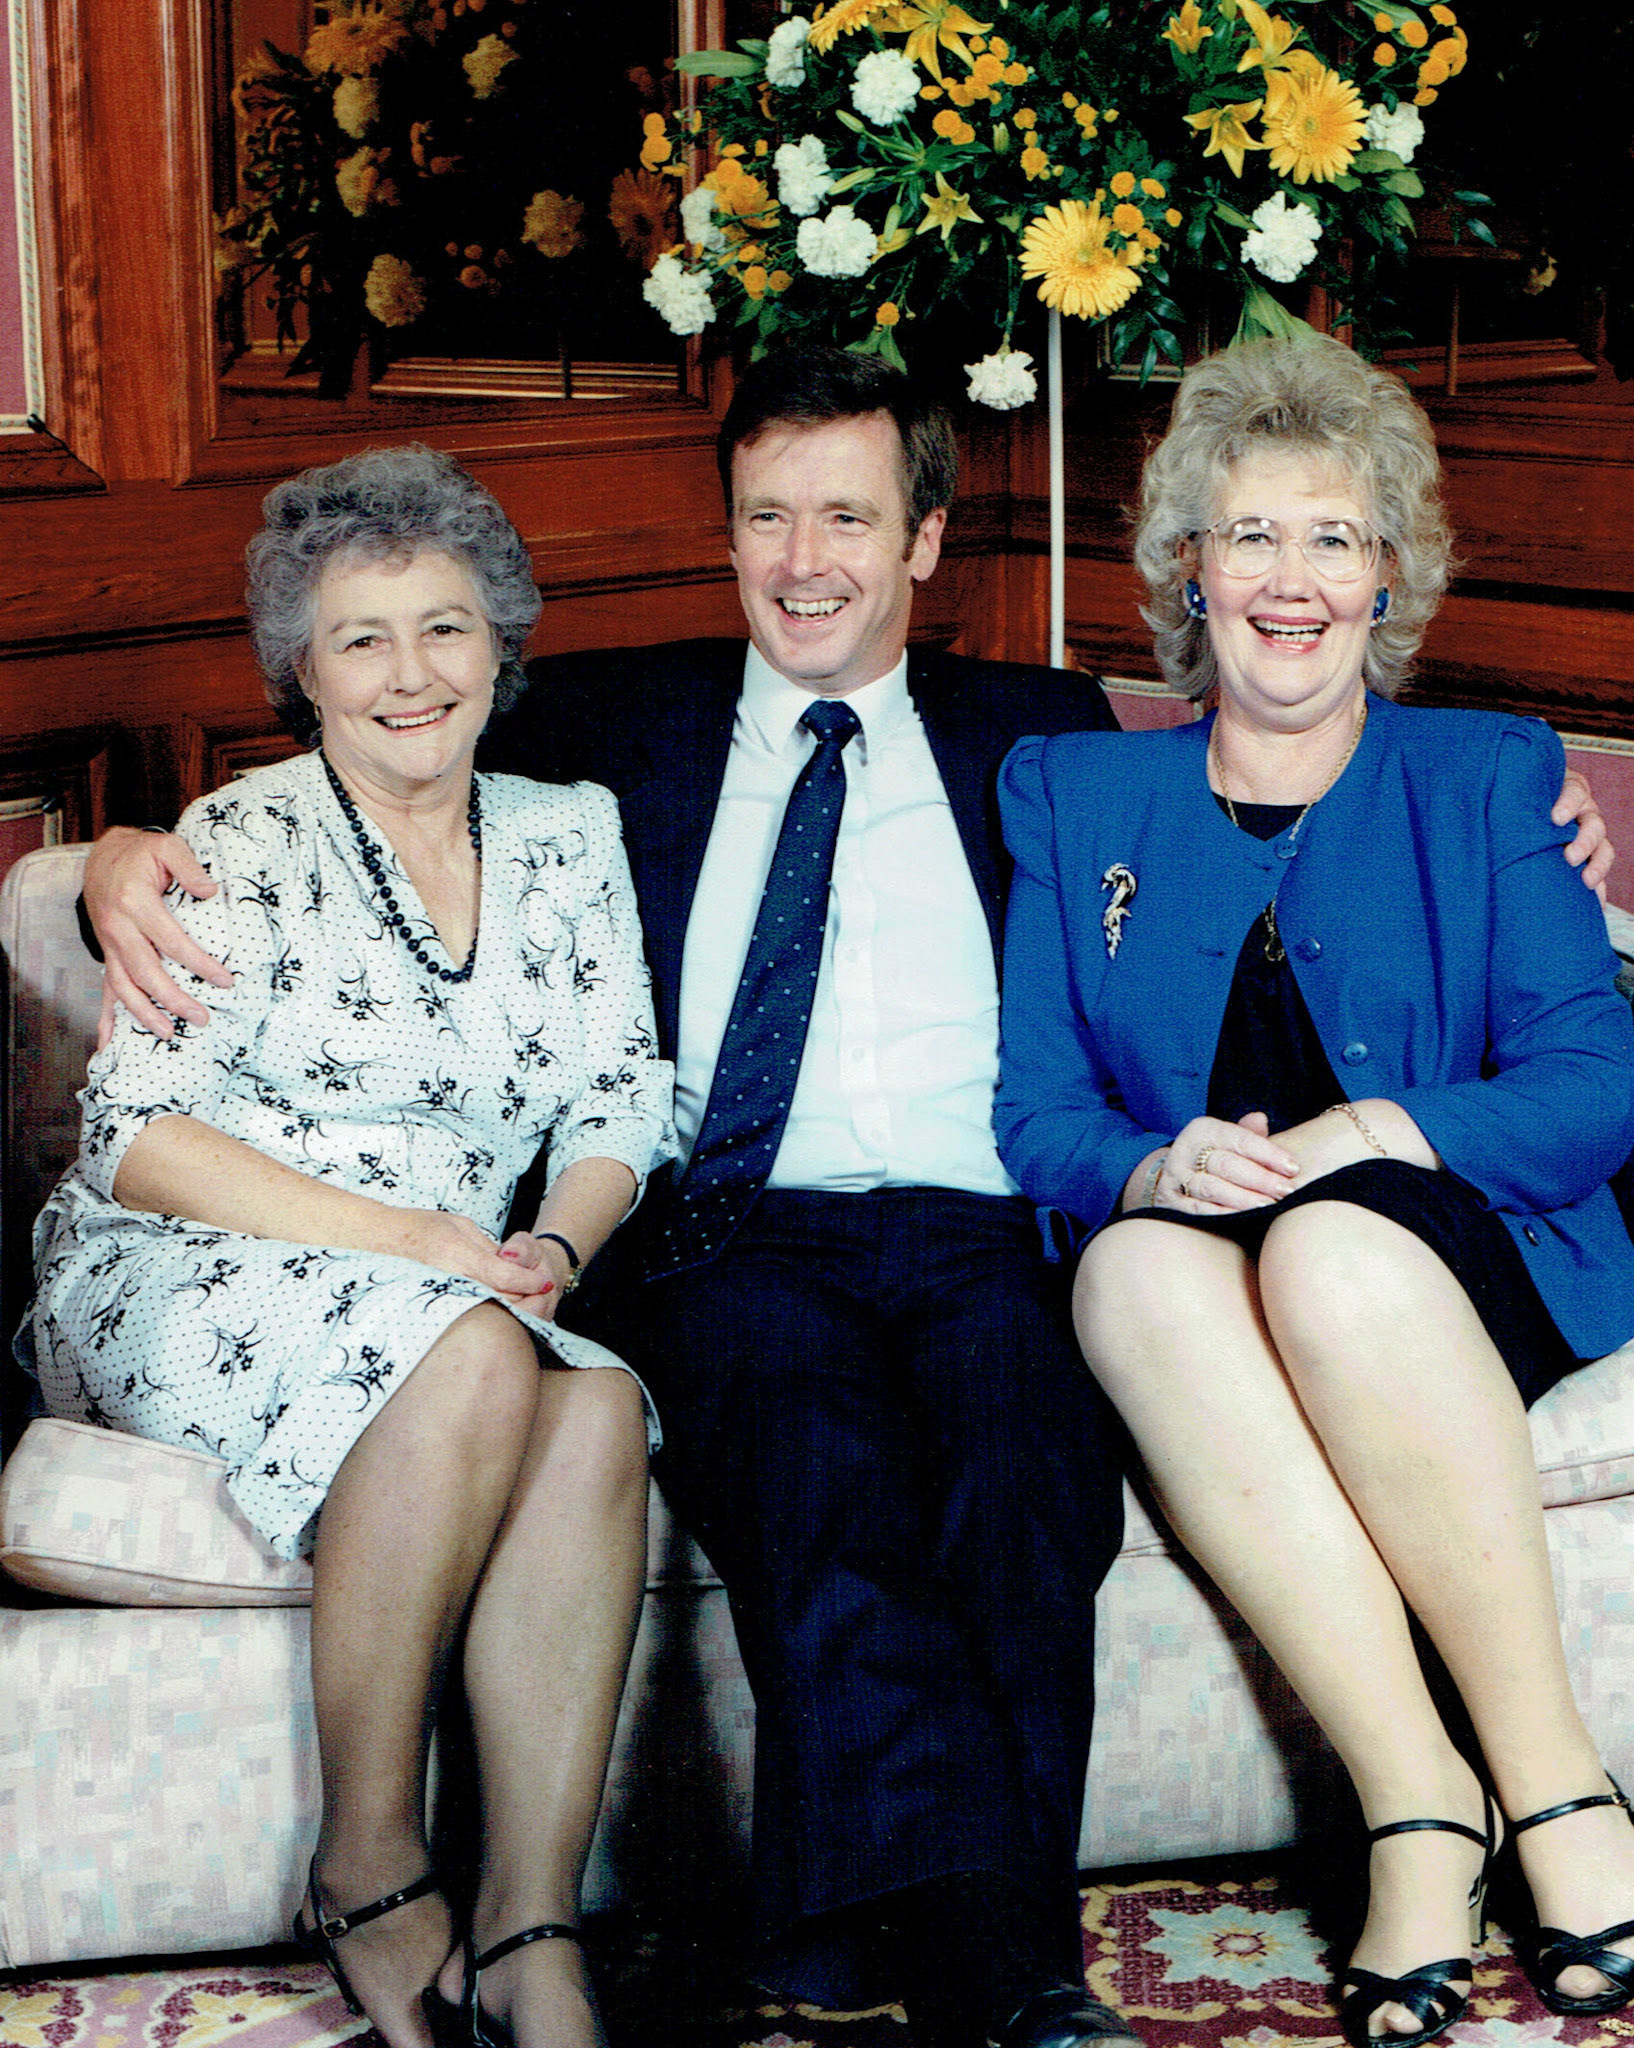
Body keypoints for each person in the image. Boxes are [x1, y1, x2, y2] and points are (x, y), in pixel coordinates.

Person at [77, 349, 1612, 2048]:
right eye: (767, 518)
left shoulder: (1038, 739)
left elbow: (1295, 789)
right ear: (727, 535)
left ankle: (843, 1936)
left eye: (850, 519)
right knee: (820, 1489)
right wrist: (101, 864)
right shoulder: (600, 722)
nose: (805, 560)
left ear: (928, 541)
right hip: (737, 1232)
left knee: (1026, 1491)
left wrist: (1552, 832)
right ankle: (998, 1976)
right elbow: (366, 736)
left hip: (984, 1226)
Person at [994, 332, 1634, 2048]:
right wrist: (1145, 1160)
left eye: (1333, 540)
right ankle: (1416, 1801)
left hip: (1447, 1249)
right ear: (1187, 572)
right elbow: (1033, 1109)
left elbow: (1593, 1092)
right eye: (1249, 537)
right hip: (1208, 1258)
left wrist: (1386, 1136)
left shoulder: (1489, 778)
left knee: (1336, 1254)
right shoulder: (1075, 792)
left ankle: (1559, 1788)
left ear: (1387, 579)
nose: (1290, 582)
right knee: (1125, 1269)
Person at [28, 447, 676, 2048]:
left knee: (591, 1401)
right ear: (300, 672)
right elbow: (137, 1136)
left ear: (498, 647)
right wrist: (426, 1250)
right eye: (363, 638)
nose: (410, 674)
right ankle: (372, 1859)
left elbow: (618, 1086)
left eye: (445, 628)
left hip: (454, 1270)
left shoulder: (564, 832)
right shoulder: (233, 843)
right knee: (466, 1357)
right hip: (187, 1257)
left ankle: (535, 1927)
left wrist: (552, 1252)